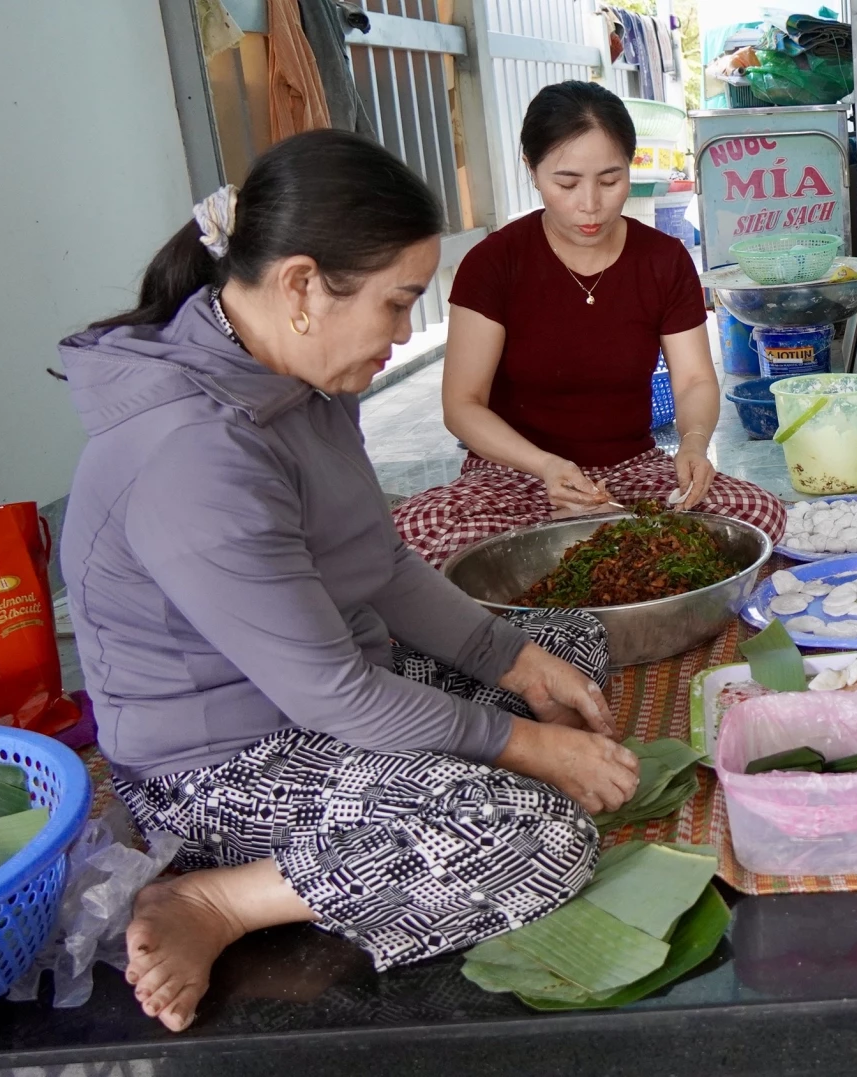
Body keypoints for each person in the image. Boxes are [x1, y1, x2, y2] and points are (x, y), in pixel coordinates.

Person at [59, 130, 641, 1035]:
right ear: (300, 286)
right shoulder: (193, 452)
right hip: (220, 765)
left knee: (570, 645)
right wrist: (523, 747)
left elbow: (379, 561)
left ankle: (449, 769)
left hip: (320, 690)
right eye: (398, 302)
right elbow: (333, 693)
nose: (405, 332)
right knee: (534, 835)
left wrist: (516, 661)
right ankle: (221, 900)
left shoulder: (299, 381)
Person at [393, 81, 784, 564]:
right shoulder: (493, 263)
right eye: (567, 182)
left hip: (630, 472)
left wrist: (695, 444)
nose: (591, 203)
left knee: (756, 512)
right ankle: (606, 561)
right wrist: (547, 467)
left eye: (610, 179)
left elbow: (695, 380)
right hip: (516, 474)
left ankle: (568, 569)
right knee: (411, 539)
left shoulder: (663, 260)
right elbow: (462, 405)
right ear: (532, 171)